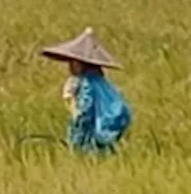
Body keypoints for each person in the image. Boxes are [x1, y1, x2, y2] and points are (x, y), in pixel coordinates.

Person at [40, 27, 132, 155]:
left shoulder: (86, 85)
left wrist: (76, 137)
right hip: (106, 136)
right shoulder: (103, 83)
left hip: (93, 138)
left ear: (79, 63)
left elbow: (84, 113)